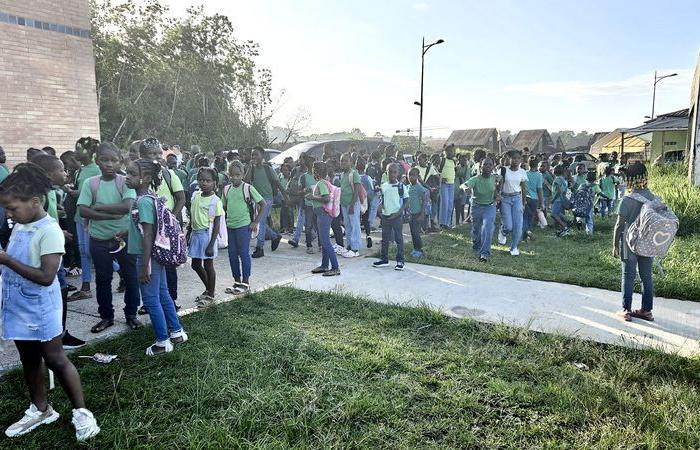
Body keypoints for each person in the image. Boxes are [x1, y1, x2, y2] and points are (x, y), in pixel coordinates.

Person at [0, 163, 100, 441]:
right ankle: (41, 409)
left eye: (12, 208)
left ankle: (82, 412)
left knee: (55, 358)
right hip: (18, 306)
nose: (9, 214)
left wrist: (7, 260)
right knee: (29, 359)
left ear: (34, 201)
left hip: (40, 308)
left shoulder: (49, 231)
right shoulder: (21, 225)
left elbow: (46, 276)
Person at [76, 142, 142, 334]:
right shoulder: (91, 183)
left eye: (114, 160)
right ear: (98, 161)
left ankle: (131, 314)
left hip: (124, 238)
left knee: (130, 277)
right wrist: (109, 216)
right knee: (103, 279)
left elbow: (126, 207)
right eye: (104, 160)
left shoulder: (124, 182)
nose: (109, 164)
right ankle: (106, 317)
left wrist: (98, 207)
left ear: (120, 161)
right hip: (99, 239)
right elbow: (83, 210)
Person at [125, 158, 188, 355]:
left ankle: (162, 341)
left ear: (146, 178)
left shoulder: (142, 201)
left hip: (147, 258)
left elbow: (149, 233)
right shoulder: (151, 197)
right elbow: (144, 229)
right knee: (163, 294)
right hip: (156, 256)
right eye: (127, 172)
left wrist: (144, 266)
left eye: (132, 174)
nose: (127, 177)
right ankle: (176, 332)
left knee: (151, 299)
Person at [30, 154, 86, 349]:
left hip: (54, 248)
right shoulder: (40, 196)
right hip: (48, 253)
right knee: (56, 291)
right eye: (61, 170)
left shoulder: (50, 192)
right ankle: (56, 335)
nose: (65, 173)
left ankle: (59, 331)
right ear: (48, 174)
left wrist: (59, 231)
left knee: (59, 291)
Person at [138, 138, 185, 310]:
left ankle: (171, 300)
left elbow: (181, 198)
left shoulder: (168, 174)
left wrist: (170, 220)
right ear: (142, 156)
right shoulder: (140, 177)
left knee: (169, 266)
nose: (157, 157)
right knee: (149, 264)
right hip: (147, 228)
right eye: (152, 154)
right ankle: (151, 300)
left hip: (166, 231)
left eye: (159, 153)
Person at [613, 162, 656, 322]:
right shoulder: (653, 198)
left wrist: (614, 245)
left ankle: (626, 310)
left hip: (628, 243)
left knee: (628, 275)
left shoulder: (627, 199)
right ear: (645, 178)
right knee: (647, 277)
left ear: (629, 180)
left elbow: (619, 225)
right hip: (647, 243)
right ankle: (646, 310)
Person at [223, 161, 265, 295]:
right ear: (229, 175)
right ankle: (237, 281)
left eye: (238, 174)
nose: (235, 177)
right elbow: (223, 207)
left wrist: (255, 222)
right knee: (232, 255)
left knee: (243, 254)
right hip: (230, 227)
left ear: (242, 174)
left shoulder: (248, 188)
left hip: (244, 227)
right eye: (232, 175)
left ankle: (245, 282)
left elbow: (263, 204)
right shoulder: (226, 189)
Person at [68, 137, 101, 301]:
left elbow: (95, 192)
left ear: (88, 152)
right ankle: (86, 286)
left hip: (90, 217)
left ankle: (120, 270)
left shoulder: (96, 170)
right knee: (83, 252)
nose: (75, 153)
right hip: (79, 216)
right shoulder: (80, 170)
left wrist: (74, 193)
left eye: (78, 149)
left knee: (90, 251)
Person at [188, 168, 223, 307]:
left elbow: (216, 224)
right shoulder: (196, 196)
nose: (204, 183)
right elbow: (192, 216)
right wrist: (188, 233)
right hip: (196, 235)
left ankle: (211, 294)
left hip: (207, 236)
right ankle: (208, 288)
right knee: (195, 264)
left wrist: (211, 244)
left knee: (208, 265)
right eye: (201, 180)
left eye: (208, 181)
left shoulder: (215, 201)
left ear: (214, 183)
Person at [245, 146, 284, 258]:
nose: (254, 157)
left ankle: (260, 248)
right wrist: (249, 167)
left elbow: (277, 183)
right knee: (259, 221)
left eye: (256, 154)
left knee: (260, 222)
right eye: (252, 155)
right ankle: (275, 236)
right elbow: (246, 181)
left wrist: (285, 196)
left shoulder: (267, 169)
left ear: (262, 156)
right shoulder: (251, 169)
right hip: (256, 199)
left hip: (267, 199)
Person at [306, 161, 340, 276]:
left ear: (315, 171)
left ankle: (335, 267)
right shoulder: (323, 182)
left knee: (325, 241)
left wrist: (312, 197)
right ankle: (325, 265)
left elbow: (326, 199)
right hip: (322, 214)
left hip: (323, 214)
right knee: (323, 240)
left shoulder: (321, 183)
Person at [462, 158, 499, 262]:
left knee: (488, 227)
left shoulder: (494, 178)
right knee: (476, 231)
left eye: (490, 164)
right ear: (481, 167)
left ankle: (484, 253)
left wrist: (497, 195)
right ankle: (476, 245)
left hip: (490, 206)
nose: (487, 166)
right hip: (476, 207)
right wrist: (465, 188)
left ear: (493, 167)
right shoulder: (476, 179)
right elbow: (464, 184)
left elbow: (494, 189)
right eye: (485, 164)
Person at [373, 163, 409, 270]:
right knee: (385, 239)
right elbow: (384, 200)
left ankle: (400, 260)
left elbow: (406, 201)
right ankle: (384, 259)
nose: (392, 174)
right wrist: (380, 207)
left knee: (399, 239)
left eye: (394, 172)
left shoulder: (401, 186)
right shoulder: (384, 186)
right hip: (386, 216)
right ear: (386, 172)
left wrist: (399, 213)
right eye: (390, 172)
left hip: (397, 217)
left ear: (398, 173)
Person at [497, 151, 528, 256]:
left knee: (518, 225)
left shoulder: (522, 171)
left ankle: (514, 247)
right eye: (513, 158)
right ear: (509, 159)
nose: (516, 160)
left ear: (521, 160)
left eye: (518, 158)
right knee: (508, 226)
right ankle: (503, 231)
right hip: (505, 199)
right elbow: (499, 185)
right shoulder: (503, 170)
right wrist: (498, 196)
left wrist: (523, 202)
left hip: (517, 199)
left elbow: (524, 188)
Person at [339, 152, 361, 258]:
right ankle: (349, 246)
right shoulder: (342, 174)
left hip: (352, 204)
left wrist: (352, 205)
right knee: (347, 226)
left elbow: (357, 191)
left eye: (346, 161)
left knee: (355, 225)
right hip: (344, 204)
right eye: (342, 160)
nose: (343, 162)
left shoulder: (354, 174)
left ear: (351, 162)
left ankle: (355, 249)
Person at [522, 157, 544, 241]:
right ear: (537, 165)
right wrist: (542, 203)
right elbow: (540, 190)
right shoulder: (539, 175)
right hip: (534, 199)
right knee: (530, 217)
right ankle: (528, 231)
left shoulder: (525, 173)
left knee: (524, 217)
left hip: (525, 197)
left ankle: (525, 233)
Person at [407, 168, 427, 258]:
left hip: (418, 213)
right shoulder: (408, 187)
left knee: (416, 232)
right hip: (411, 214)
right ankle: (415, 249)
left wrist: (422, 213)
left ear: (417, 177)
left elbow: (424, 200)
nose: (410, 177)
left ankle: (419, 250)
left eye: (413, 175)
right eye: (409, 175)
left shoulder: (419, 187)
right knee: (412, 232)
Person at [550, 165, 571, 236]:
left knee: (553, 214)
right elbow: (564, 191)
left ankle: (565, 226)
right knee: (558, 213)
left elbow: (558, 191)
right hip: (561, 199)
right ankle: (565, 224)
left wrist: (553, 199)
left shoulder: (557, 179)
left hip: (557, 199)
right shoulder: (563, 180)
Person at [438, 145, 456, 229]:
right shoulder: (443, 160)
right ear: (445, 152)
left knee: (450, 204)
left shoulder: (454, 162)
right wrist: (441, 178)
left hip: (451, 184)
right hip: (444, 185)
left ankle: (448, 223)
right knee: (444, 203)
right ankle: (442, 223)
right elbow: (436, 171)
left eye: (452, 151)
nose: (451, 153)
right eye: (449, 151)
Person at [580, 171, 603, 236]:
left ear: (586, 178)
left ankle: (579, 220)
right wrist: (606, 197)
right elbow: (600, 193)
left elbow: (578, 192)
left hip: (582, 203)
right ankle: (589, 232)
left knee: (579, 214)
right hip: (590, 204)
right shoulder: (595, 186)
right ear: (594, 179)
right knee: (589, 219)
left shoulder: (582, 185)